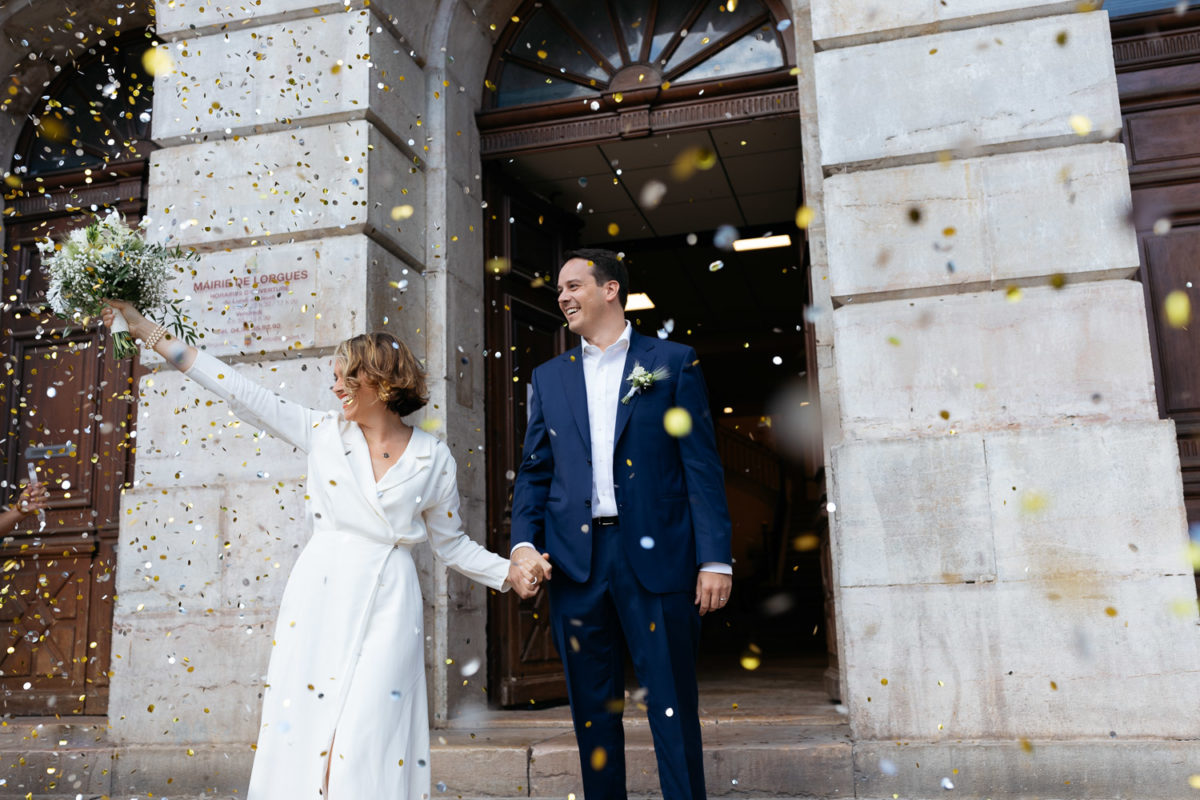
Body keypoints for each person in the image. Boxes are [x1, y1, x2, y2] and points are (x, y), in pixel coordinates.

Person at [100, 299, 546, 800]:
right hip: (321, 595)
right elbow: (236, 387)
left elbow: (452, 544)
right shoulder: (322, 433)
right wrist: (146, 330)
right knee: (309, 731)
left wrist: (508, 571)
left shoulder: (432, 456)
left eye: (345, 376)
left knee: (367, 734)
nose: (335, 387)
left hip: (391, 604)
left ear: (380, 381)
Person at [509, 248, 733, 800]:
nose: (562, 296)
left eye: (573, 285)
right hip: (575, 565)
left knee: (673, 703)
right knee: (592, 711)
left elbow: (700, 466)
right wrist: (522, 545)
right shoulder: (548, 376)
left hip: (658, 561)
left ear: (610, 290)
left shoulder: (673, 362)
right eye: (559, 289)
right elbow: (535, 472)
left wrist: (715, 558)